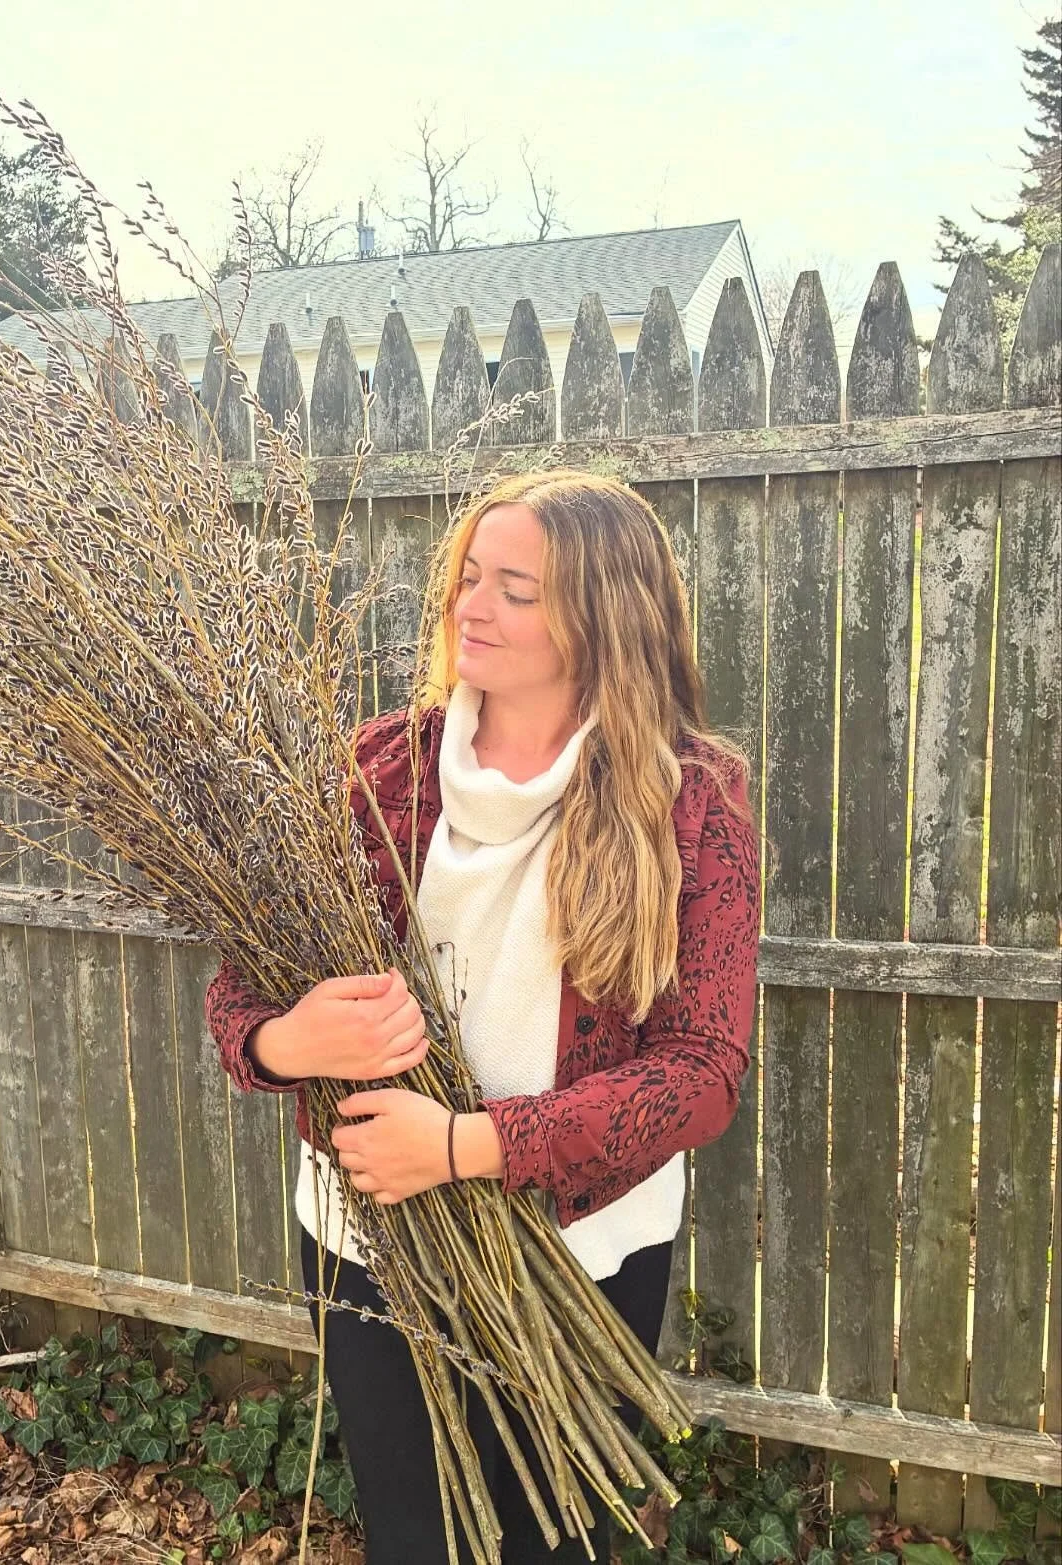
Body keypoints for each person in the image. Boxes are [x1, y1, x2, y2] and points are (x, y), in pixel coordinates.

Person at [205, 471, 761, 1564]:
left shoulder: (687, 795)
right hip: (372, 1238)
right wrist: (284, 1040)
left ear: (606, 613)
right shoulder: (377, 769)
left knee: (558, 1544)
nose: (472, 605)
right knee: (415, 1540)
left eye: (517, 588)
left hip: (582, 1250)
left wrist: (468, 1145)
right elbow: (242, 985)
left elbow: (702, 1071)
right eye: (469, 576)